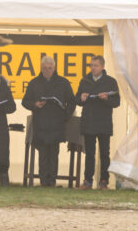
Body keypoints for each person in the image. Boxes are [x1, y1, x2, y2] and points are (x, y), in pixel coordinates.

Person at [22, 56, 76, 186]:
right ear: (41, 68)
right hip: (41, 123)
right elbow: (25, 101)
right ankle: (43, 181)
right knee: (42, 153)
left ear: (54, 68)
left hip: (57, 123)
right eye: (45, 68)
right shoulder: (34, 82)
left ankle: (52, 181)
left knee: (53, 153)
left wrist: (66, 116)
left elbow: (72, 102)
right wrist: (35, 104)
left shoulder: (63, 82)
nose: (47, 71)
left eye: (49, 68)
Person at [76, 55, 120, 190]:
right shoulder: (84, 81)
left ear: (102, 67)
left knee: (104, 153)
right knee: (89, 153)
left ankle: (104, 181)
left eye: (95, 65)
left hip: (103, 122)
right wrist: (81, 98)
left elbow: (116, 102)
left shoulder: (110, 82)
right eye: (91, 65)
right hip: (89, 121)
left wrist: (106, 98)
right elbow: (76, 100)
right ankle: (87, 181)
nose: (92, 68)